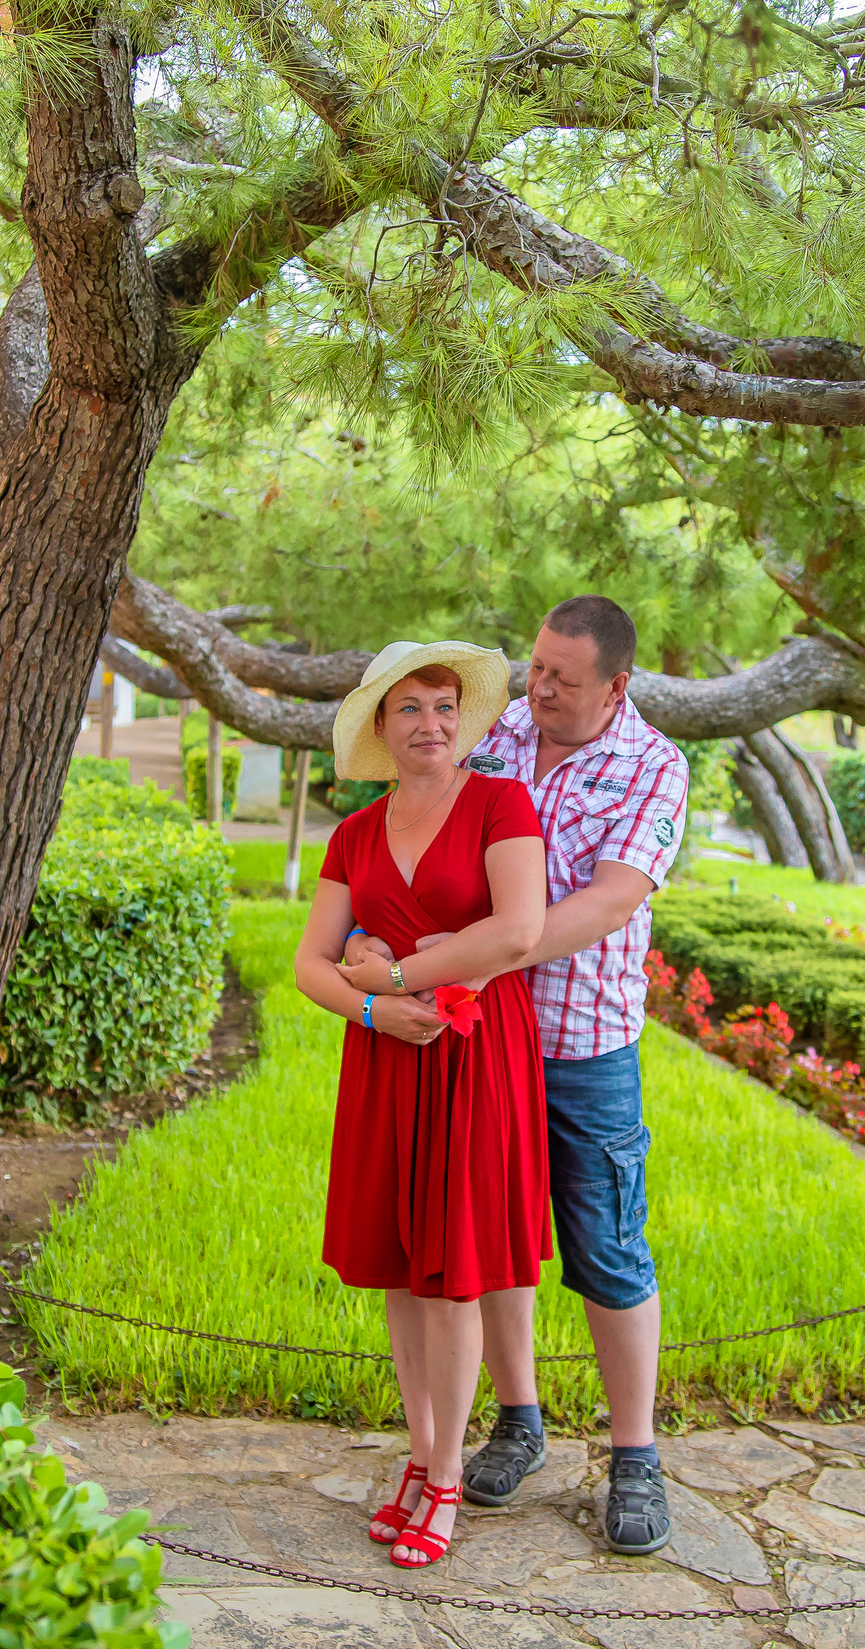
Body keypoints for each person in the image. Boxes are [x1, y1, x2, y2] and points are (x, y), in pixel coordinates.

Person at [346, 596, 690, 1556]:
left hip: (582, 1044)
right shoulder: (493, 738)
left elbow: (610, 901)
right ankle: (518, 1418)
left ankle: (635, 1455)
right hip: (474, 1042)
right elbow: (419, 842)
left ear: (616, 685)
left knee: (608, 1250)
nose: (537, 688)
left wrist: (480, 952)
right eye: (535, 667)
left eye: (562, 679)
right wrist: (379, 942)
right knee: (488, 1241)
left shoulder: (653, 765)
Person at [292, 640, 551, 1571]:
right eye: (409, 707)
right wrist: (373, 1009)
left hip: (476, 1055)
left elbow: (517, 930)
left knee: (455, 1271)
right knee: (402, 1269)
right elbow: (310, 963)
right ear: (381, 725)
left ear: (464, 720)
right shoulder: (354, 833)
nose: (430, 723)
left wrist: (396, 973)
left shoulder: (500, 804)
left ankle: (446, 1475)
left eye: (445, 706)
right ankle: (420, 1449)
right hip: (387, 1059)